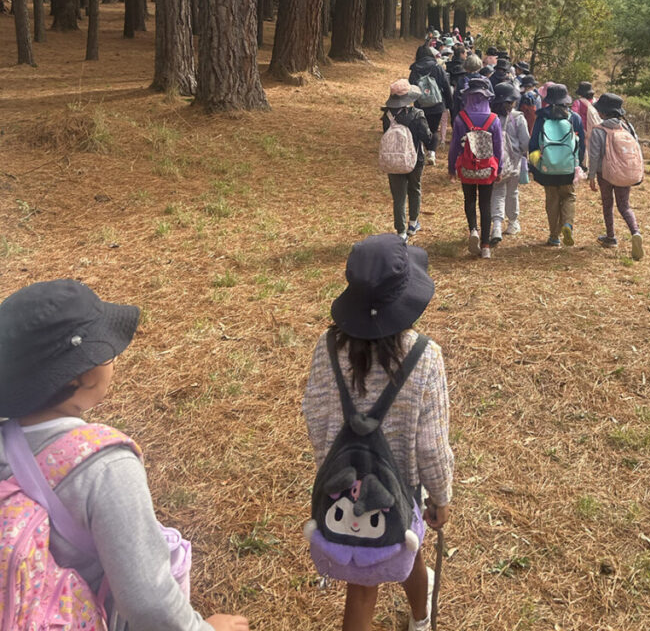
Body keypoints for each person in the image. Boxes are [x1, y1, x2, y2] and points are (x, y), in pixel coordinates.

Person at [0, 279, 249, 631]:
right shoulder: (105, 467)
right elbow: (147, 599)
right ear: (85, 375)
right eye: (108, 353)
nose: (113, 360)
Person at [302, 235, 454, 631]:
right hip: (401, 487)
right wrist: (440, 497)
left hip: (344, 484)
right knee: (379, 569)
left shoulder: (328, 346)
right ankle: (421, 621)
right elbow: (431, 447)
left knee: (382, 565)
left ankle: (421, 617)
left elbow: (315, 416)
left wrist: (338, 472)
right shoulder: (425, 357)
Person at [448, 75, 503, 259]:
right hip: (487, 168)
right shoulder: (494, 119)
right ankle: (486, 246)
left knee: (469, 199)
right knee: (485, 204)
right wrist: (499, 169)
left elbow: (454, 146)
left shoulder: (460, 118)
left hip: (466, 166)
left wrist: (451, 168)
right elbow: (498, 148)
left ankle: (473, 229)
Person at [587, 92, 644, 260]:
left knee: (607, 204)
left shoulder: (599, 130)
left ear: (602, 112)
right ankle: (635, 232)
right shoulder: (627, 127)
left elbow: (594, 156)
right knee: (624, 206)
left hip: (604, 174)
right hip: (624, 172)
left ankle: (610, 237)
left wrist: (591, 176)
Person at [528, 83, 585, 247]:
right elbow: (581, 145)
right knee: (569, 196)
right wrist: (579, 165)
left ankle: (554, 236)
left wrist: (535, 166)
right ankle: (567, 224)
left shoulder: (542, 117)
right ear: (566, 100)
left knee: (552, 200)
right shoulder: (574, 118)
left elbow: (533, 144)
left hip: (547, 168)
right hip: (568, 167)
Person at [381, 80, 436, 241]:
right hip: (415, 159)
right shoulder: (417, 114)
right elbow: (426, 136)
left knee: (398, 196)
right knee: (415, 189)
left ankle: (401, 231)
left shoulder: (387, 116)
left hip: (393, 160)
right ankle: (413, 223)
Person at [489, 83, 530, 245]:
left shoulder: (490, 117)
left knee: (497, 193)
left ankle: (496, 226)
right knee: (512, 192)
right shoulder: (518, 118)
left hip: (495, 164)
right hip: (514, 162)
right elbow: (525, 143)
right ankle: (513, 223)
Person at [409, 45, 453, 167]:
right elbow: (446, 85)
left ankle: (421, 152)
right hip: (437, 104)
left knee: (421, 128)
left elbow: (411, 86)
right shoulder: (437, 67)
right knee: (433, 130)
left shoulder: (415, 69)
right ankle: (432, 153)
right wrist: (449, 104)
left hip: (420, 104)